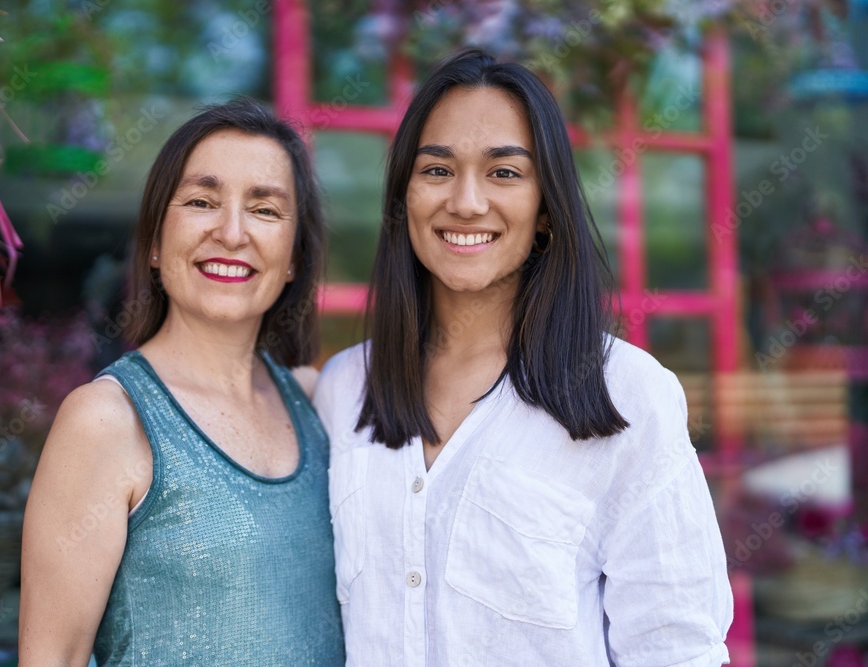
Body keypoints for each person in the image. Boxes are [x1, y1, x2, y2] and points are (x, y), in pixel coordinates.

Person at [313, 49, 732, 666]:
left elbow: (677, 650)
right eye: (436, 170)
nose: (466, 202)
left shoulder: (627, 394)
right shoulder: (343, 387)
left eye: (504, 173)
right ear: (404, 200)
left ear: (545, 211)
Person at [19, 99, 344, 666]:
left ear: (293, 258)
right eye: (201, 201)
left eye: (265, 210)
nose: (232, 232)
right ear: (152, 243)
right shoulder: (106, 420)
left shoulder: (315, 402)